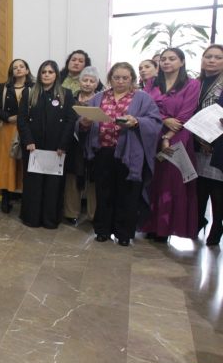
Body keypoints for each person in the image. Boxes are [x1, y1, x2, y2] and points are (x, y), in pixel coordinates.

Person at [80, 63, 162, 246]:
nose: (120, 81)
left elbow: (155, 122)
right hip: (103, 152)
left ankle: (124, 234)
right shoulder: (99, 97)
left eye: (125, 78)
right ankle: (102, 231)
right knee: (104, 192)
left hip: (130, 154)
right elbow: (85, 121)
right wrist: (85, 122)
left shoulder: (143, 98)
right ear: (110, 79)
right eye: (117, 77)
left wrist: (136, 121)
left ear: (132, 79)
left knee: (127, 195)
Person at [142, 47, 201, 242]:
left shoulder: (192, 84)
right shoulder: (152, 82)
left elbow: (186, 113)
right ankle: (150, 225)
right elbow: (146, 107)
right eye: (164, 59)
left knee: (172, 182)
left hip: (178, 137)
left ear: (182, 62)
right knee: (153, 181)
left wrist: (168, 135)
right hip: (153, 134)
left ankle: (167, 228)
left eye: (172, 59)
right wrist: (164, 119)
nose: (167, 62)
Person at [18, 60, 76, 229]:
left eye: (50, 72)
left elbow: (70, 121)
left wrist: (63, 145)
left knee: (53, 185)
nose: (46, 75)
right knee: (33, 184)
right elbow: (22, 119)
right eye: (43, 72)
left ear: (56, 75)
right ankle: (32, 218)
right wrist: (28, 141)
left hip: (56, 148)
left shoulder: (66, 94)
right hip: (33, 147)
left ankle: (50, 220)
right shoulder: (29, 93)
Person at [0, 58, 34, 213]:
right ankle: (6, 197)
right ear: (12, 71)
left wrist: (23, 118)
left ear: (27, 70)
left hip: (27, 130)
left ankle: (25, 197)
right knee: (7, 163)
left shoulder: (35, 88)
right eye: (15, 67)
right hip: (8, 129)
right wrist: (9, 118)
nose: (18, 69)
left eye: (22, 66)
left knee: (25, 163)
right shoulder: (4, 88)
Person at [63, 66, 103, 225]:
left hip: (95, 144)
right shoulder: (69, 98)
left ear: (97, 83)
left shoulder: (102, 100)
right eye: (84, 80)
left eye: (91, 81)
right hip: (73, 144)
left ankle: (94, 214)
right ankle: (71, 212)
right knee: (72, 177)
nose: (87, 84)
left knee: (94, 179)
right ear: (79, 82)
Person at [195, 44, 223, 246]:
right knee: (199, 187)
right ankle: (197, 222)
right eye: (208, 56)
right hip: (196, 141)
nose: (212, 60)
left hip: (219, 144)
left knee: (217, 189)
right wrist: (200, 138)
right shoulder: (195, 83)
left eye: (218, 57)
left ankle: (216, 228)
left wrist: (212, 137)